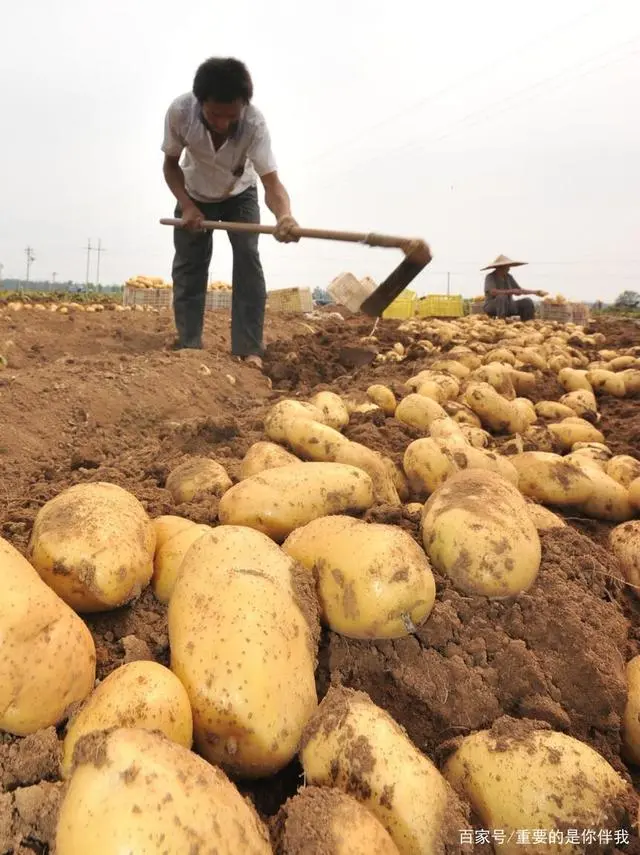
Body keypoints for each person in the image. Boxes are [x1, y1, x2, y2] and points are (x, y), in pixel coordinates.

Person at [161, 57, 299, 368]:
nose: (222, 123)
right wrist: (186, 205)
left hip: (240, 193)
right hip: (194, 193)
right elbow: (170, 165)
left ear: (243, 106)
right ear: (200, 103)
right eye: (214, 115)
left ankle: (249, 348)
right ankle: (189, 344)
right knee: (189, 265)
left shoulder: (254, 124)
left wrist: (285, 216)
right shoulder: (180, 113)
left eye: (231, 116)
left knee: (248, 259)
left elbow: (272, 184)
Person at [482, 255, 546, 321]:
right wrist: (511, 291)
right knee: (501, 297)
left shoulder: (509, 277)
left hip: (509, 305)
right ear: (499, 267)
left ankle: (528, 324)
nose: (509, 269)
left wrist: (535, 292)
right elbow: (493, 292)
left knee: (527, 302)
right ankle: (501, 323)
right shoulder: (490, 277)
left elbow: (519, 290)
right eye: (507, 267)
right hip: (493, 306)